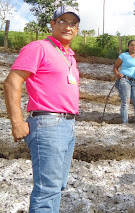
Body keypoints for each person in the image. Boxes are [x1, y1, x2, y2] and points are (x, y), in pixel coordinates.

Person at [3, 6, 80, 212]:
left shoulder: (69, 55)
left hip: (68, 124)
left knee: (57, 186)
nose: (68, 27)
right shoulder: (38, 47)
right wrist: (17, 122)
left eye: (73, 24)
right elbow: (12, 82)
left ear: (77, 30)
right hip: (48, 124)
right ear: (53, 24)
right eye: (62, 21)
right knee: (47, 190)